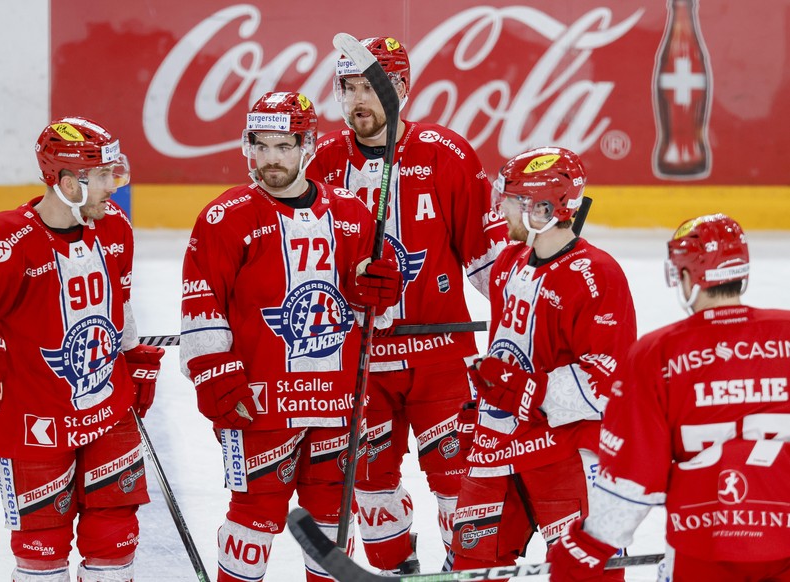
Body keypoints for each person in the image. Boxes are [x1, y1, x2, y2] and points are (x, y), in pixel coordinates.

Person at [0, 117, 165, 582]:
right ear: (66, 182)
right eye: (101, 177)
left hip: (107, 408)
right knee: (42, 547)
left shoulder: (114, 227)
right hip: (33, 415)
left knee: (115, 539)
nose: (112, 187)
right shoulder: (3, 238)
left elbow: (122, 303)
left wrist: (132, 358)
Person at [180, 91, 402, 582]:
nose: (271, 159)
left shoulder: (351, 213)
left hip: (337, 401)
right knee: (252, 523)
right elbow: (201, 305)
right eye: (261, 145)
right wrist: (214, 374)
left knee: (329, 526)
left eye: (284, 146)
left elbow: (372, 314)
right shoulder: (225, 217)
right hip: (259, 403)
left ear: (307, 146)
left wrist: (382, 292)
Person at [307, 36, 509, 574]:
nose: (357, 101)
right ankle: (397, 569)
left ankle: (464, 569)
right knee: (369, 483)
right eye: (348, 88)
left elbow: (488, 259)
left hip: (441, 355)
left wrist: (531, 324)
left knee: (458, 479)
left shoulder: (447, 153)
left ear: (402, 89)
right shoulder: (323, 161)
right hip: (359, 361)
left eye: (371, 87)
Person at [547, 214, 790, 582]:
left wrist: (591, 544)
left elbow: (633, 475)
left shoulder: (657, 353)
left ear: (689, 277)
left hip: (703, 550)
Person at [450, 146, 636, 577]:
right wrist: (481, 411)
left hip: (563, 451)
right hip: (496, 445)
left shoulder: (597, 275)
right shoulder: (508, 265)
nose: (501, 211)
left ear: (544, 208)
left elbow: (608, 379)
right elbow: (506, 351)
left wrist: (525, 390)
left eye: (511, 201)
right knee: (471, 566)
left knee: (585, 572)